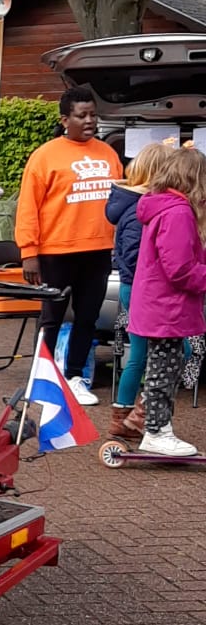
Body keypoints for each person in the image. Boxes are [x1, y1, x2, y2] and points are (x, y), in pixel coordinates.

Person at [16, 87, 123, 404]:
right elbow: (28, 207)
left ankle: (75, 377)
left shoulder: (108, 153)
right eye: (82, 115)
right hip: (56, 252)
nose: (90, 120)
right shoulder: (45, 155)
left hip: (99, 251)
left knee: (87, 318)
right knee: (52, 319)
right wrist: (29, 254)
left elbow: (119, 200)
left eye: (93, 114)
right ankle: (42, 377)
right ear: (65, 120)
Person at [128, 146, 206, 457]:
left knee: (167, 367)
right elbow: (180, 268)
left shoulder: (165, 207)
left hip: (161, 305)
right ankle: (156, 431)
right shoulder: (178, 212)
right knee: (163, 370)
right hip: (166, 307)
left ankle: (159, 427)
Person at [105, 142, 170, 438]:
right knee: (157, 351)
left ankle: (127, 414)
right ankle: (134, 413)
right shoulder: (137, 210)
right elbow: (132, 255)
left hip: (135, 286)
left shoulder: (132, 206)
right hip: (138, 287)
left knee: (142, 353)